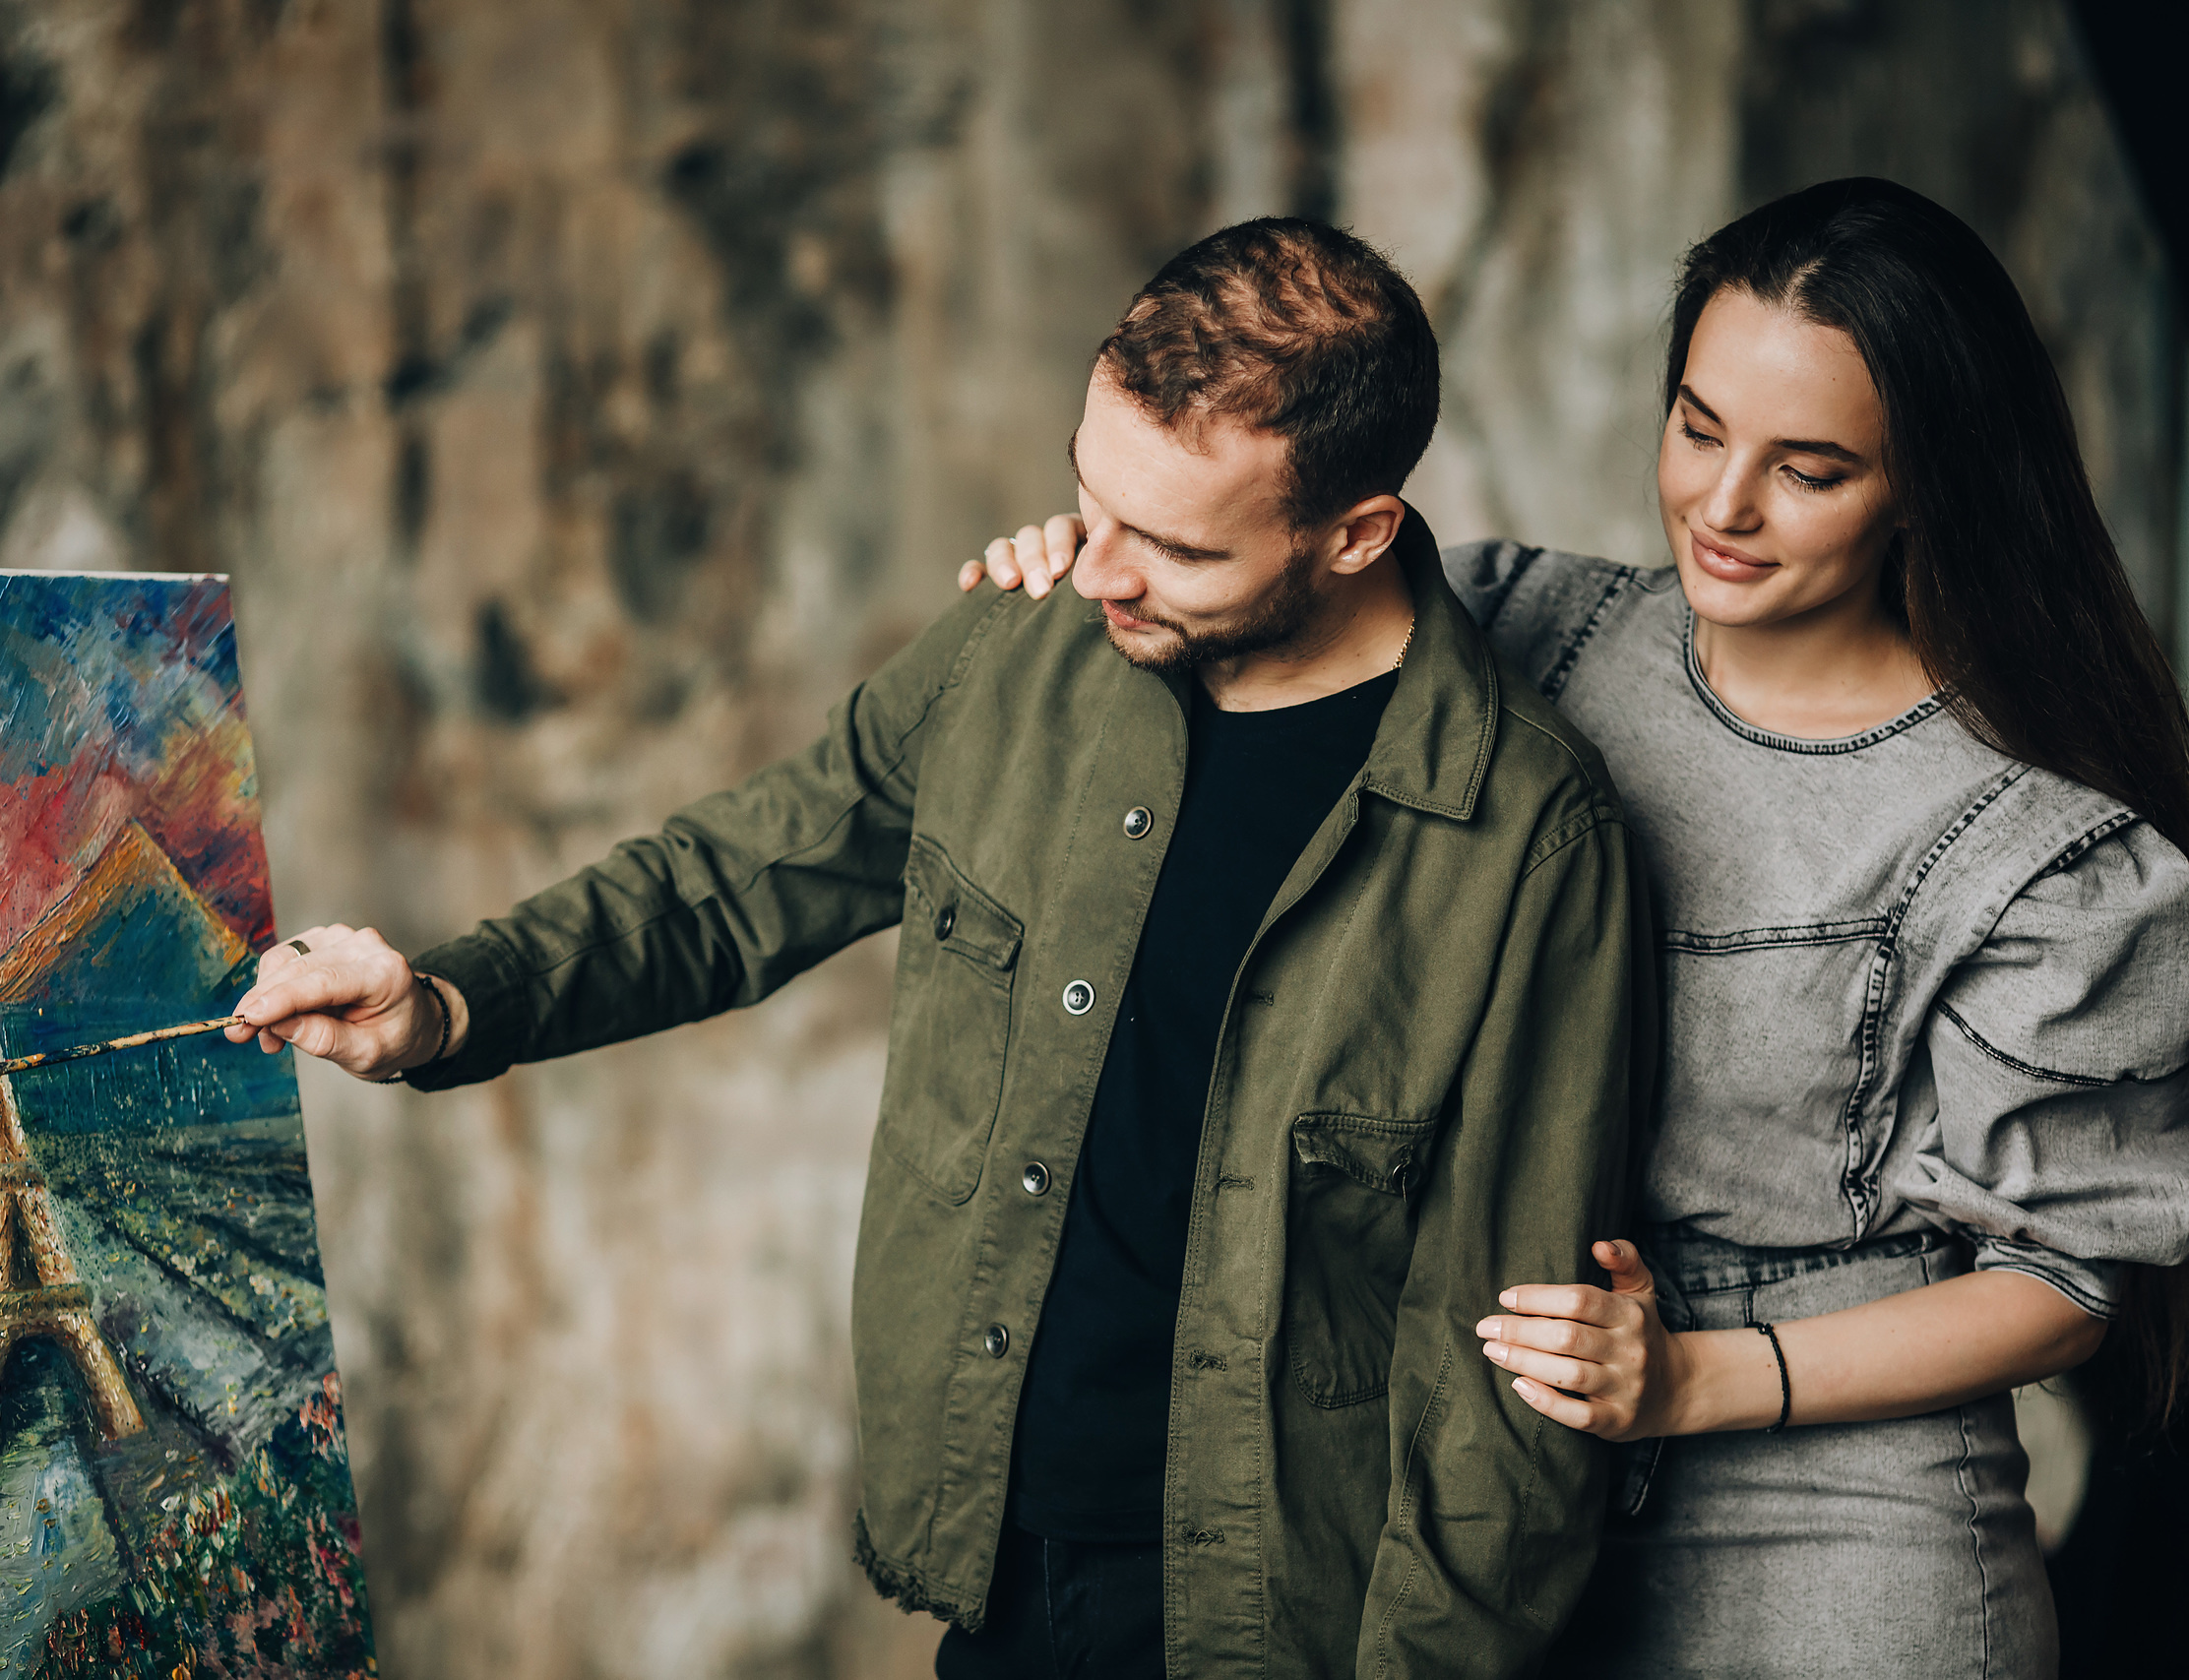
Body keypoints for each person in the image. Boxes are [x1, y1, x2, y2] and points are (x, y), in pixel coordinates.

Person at [231, 218, 1651, 1678]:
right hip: (1001, 1556)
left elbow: (1507, 1381)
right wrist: (444, 1003)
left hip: (1281, 1617)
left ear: (1356, 534)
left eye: (1173, 546)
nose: (1098, 573)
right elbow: (736, 880)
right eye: (1090, 497)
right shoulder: (1020, 647)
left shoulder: (1524, 837)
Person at [966, 177, 2189, 1678]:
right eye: (1698, 428)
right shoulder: (1519, 626)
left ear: (1927, 484)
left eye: (1809, 470)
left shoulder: (2033, 840)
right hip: (1495, 1488)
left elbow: (2061, 1286)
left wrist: (1693, 1379)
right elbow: (1251, 641)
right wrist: (1113, 569)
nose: (1724, 507)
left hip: (1822, 1535)